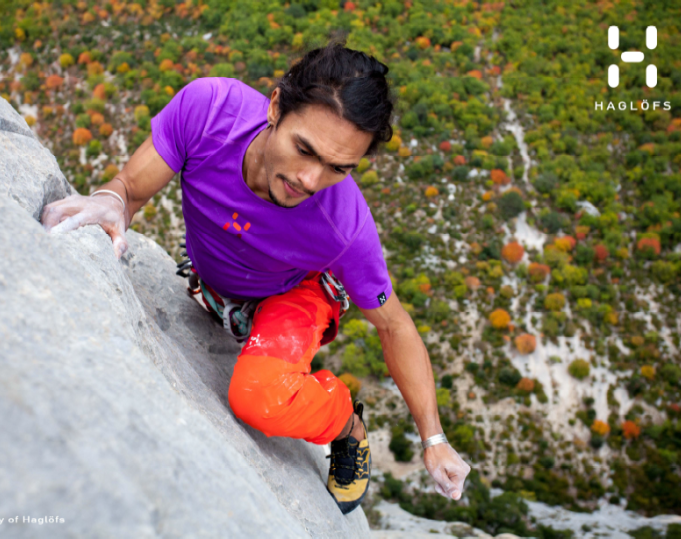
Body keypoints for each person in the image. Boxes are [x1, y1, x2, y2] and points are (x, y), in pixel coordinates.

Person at [41, 41, 471, 515]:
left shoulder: (344, 224)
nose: (310, 179)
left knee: (258, 396)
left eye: (339, 168)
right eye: (304, 149)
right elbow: (129, 192)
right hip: (221, 279)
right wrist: (110, 199)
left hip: (295, 293)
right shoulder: (209, 113)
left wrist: (433, 439)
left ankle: (345, 422)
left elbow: (394, 325)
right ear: (274, 107)